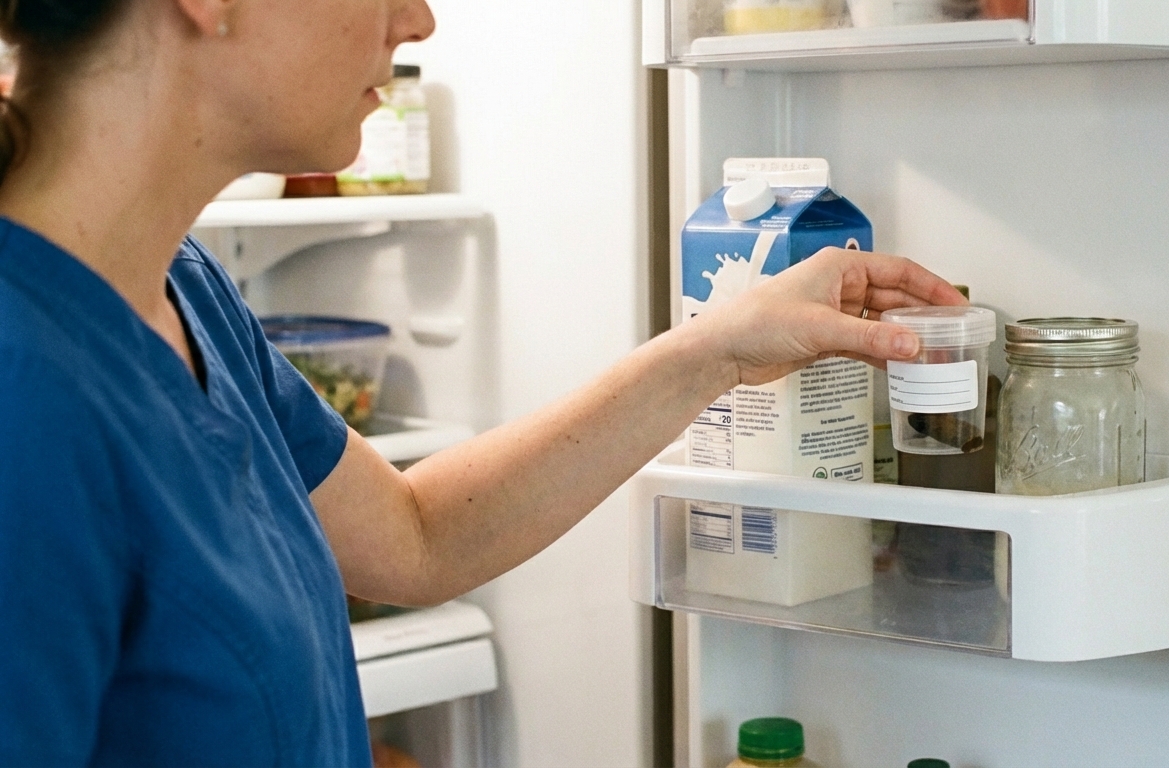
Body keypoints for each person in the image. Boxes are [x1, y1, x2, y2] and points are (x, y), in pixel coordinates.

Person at [0, 0, 966, 765]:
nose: (417, 19)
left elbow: (417, 538)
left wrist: (719, 348)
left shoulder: (184, 291)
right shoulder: (26, 397)